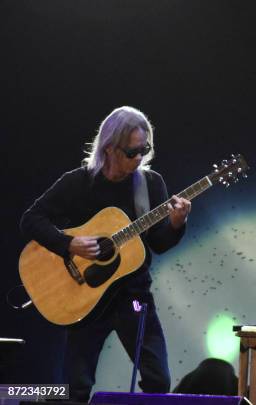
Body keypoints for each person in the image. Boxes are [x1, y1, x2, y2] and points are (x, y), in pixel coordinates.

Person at [20, 106, 191, 402]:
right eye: (132, 151)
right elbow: (31, 219)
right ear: (110, 148)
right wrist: (68, 244)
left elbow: (159, 244)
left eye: (144, 150)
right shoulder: (79, 182)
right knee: (76, 389)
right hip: (86, 297)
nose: (139, 158)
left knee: (158, 379)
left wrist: (177, 223)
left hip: (133, 297)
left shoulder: (150, 184)